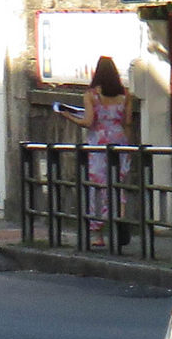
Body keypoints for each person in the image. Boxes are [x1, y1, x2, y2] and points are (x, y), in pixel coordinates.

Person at [54, 55, 132, 242]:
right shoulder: (126, 95)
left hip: (98, 143)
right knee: (118, 184)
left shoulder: (91, 96)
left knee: (97, 186)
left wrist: (68, 116)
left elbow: (89, 122)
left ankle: (98, 233)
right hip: (120, 140)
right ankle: (120, 221)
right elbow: (127, 122)